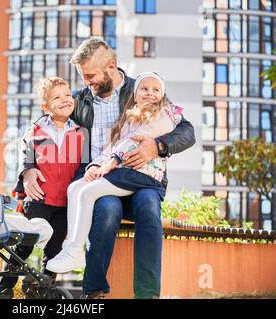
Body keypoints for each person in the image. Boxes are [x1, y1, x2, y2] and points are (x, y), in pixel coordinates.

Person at [20, 38, 195, 299]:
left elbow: (185, 130)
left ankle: (147, 294)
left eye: (90, 75)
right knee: (107, 208)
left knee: (148, 207)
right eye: (83, 76)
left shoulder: (144, 88)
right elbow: (42, 125)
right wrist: (29, 166)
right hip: (102, 180)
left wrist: (157, 146)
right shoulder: (79, 101)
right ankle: (95, 291)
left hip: (141, 179)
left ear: (111, 67)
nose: (86, 82)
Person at [46, 72, 183, 273]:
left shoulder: (166, 114)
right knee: (75, 188)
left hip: (143, 175)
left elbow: (136, 139)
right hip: (124, 172)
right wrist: (95, 165)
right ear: (135, 95)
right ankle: (71, 248)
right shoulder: (131, 117)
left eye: (156, 90)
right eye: (144, 89)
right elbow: (113, 144)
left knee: (88, 192)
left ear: (162, 95)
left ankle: (76, 250)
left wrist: (112, 162)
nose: (150, 93)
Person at [0, 77, 88, 299]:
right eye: (57, 97)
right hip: (38, 199)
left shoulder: (81, 133)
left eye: (67, 95)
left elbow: (83, 167)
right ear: (46, 107)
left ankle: (41, 288)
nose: (65, 100)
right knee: (23, 247)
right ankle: (3, 288)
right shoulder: (35, 131)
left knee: (54, 251)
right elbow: (26, 158)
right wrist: (26, 170)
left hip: (65, 204)